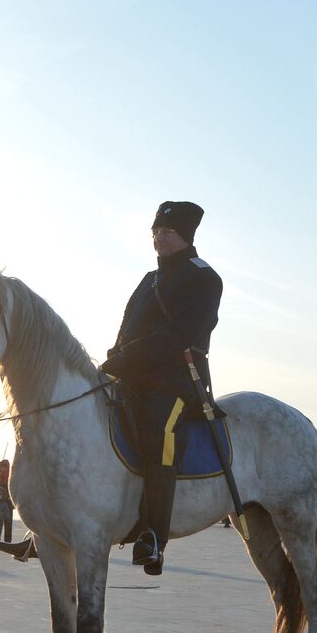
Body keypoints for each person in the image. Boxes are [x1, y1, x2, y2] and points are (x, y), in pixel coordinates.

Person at [97, 201, 222, 575]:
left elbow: (181, 333)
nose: (159, 238)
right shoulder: (148, 280)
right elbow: (126, 326)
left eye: (167, 232)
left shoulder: (204, 277)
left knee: (159, 432)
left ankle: (154, 535)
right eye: (155, 232)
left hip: (176, 381)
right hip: (132, 375)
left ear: (185, 236)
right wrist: (115, 354)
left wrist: (128, 355)